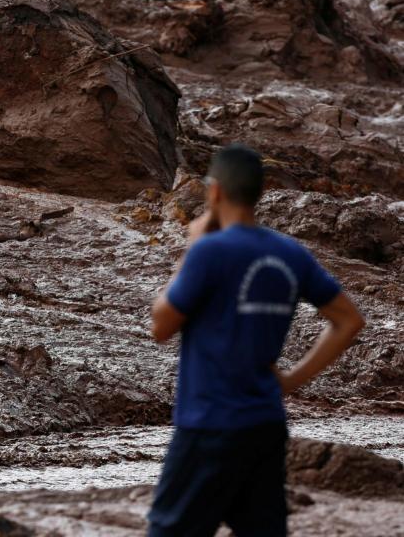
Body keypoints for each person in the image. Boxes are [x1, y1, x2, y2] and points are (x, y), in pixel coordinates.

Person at [147, 144, 366, 536]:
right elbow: (349, 321)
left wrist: (191, 249)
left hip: (208, 424)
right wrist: (290, 381)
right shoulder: (290, 253)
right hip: (265, 426)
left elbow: (161, 326)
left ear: (214, 192)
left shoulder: (209, 251)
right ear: (260, 193)